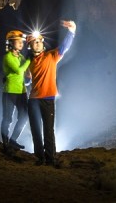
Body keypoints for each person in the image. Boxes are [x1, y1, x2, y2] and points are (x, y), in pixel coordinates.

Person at [26, 20, 77, 167]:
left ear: (43, 43)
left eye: (39, 41)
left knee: (48, 130)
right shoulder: (28, 62)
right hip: (33, 100)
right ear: (30, 45)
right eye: (34, 42)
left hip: (48, 99)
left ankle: (50, 158)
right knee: (35, 130)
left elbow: (64, 47)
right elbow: (28, 81)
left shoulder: (51, 56)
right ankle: (39, 157)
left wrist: (72, 30)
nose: (37, 43)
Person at [1, 30, 30, 155]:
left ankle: (13, 140)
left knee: (24, 116)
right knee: (8, 119)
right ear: (11, 43)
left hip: (22, 91)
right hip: (10, 92)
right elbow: (19, 71)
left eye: (21, 42)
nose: (20, 44)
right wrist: (30, 59)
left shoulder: (21, 57)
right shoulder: (8, 57)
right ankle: (5, 144)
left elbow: (26, 71)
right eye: (18, 41)